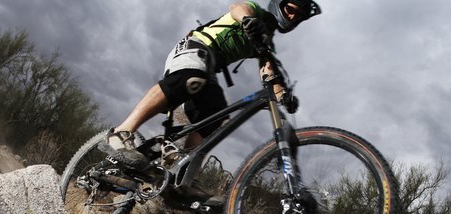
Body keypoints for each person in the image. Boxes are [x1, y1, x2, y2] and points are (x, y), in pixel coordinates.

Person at [98, 0, 322, 172]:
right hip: (196, 47)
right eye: (291, 9)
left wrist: (284, 96)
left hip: (210, 70)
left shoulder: (265, 42)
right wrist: (247, 20)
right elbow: (238, 7)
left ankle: (179, 169)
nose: (292, 17)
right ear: (279, 4)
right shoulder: (256, 12)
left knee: (216, 118)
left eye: (298, 16)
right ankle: (121, 133)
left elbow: (268, 73)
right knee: (192, 78)